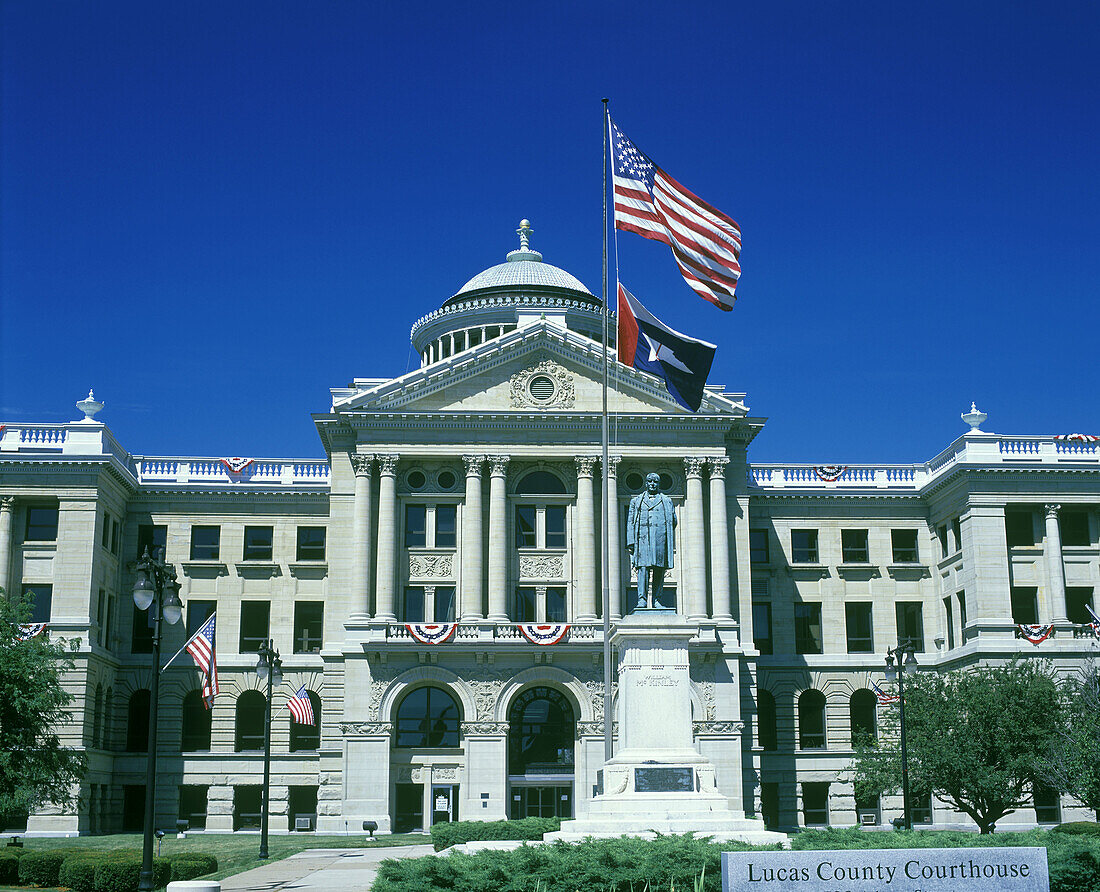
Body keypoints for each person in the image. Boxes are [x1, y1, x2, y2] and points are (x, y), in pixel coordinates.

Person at [626, 473, 677, 609]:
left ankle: (657, 600)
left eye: (655, 482)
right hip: (642, 541)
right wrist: (631, 542)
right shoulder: (636, 501)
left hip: (660, 541)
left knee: (659, 570)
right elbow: (630, 522)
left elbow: (674, 520)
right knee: (642, 570)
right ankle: (641, 599)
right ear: (646, 483)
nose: (653, 484)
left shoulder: (666, 500)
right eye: (650, 481)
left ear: (659, 484)